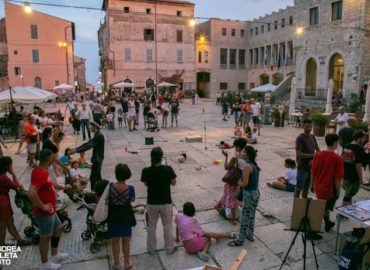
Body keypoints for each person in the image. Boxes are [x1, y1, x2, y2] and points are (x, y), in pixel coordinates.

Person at [28, 149, 69, 270]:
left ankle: (55, 254)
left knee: (59, 227)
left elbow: (50, 185)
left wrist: (63, 187)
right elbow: (31, 193)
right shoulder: (39, 173)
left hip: (51, 210)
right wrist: (42, 206)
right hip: (44, 212)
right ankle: (45, 263)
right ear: (49, 158)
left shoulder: (44, 171)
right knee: (45, 237)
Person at [140, 147, 177, 255]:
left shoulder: (146, 171)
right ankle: (169, 248)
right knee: (167, 226)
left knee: (151, 227)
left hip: (152, 203)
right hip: (166, 202)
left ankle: (151, 249)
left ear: (151, 157)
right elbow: (174, 183)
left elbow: (146, 183)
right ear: (161, 157)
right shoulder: (168, 169)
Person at [311, 134, 344, 233]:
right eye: (337, 142)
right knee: (324, 208)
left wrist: (312, 185)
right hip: (329, 188)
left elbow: (313, 171)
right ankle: (312, 230)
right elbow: (337, 179)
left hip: (318, 186)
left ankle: (327, 223)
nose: (338, 144)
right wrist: (338, 191)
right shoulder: (337, 159)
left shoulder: (318, 155)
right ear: (334, 143)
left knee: (325, 207)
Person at [228, 146, 260, 246]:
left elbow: (245, 183)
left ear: (247, 155)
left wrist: (239, 182)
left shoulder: (247, 166)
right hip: (256, 193)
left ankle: (240, 239)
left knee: (245, 216)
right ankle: (250, 235)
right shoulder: (254, 165)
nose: (241, 153)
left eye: (243, 152)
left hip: (249, 193)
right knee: (251, 215)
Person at [107, 164, 136, 270]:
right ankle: (127, 262)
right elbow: (132, 200)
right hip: (126, 215)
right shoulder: (131, 189)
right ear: (127, 175)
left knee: (115, 241)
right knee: (126, 240)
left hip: (113, 216)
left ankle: (117, 264)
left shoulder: (110, 187)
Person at [215, 138, 247, 225]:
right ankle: (218, 205)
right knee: (232, 196)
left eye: (235, 146)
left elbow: (226, 167)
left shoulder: (235, 158)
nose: (234, 148)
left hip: (232, 181)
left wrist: (226, 157)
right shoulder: (247, 157)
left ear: (238, 147)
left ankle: (233, 218)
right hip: (240, 181)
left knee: (231, 197)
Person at [0, 156, 31, 246]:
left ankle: (2, 244)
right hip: (2, 202)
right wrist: (13, 173)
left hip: (3, 200)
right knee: (9, 223)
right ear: (8, 166)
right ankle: (19, 241)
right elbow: (17, 186)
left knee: (2, 224)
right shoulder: (3, 177)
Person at [72, 121, 105, 191]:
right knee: (98, 177)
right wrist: (76, 149)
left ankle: (93, 192)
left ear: (95, 127)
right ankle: (102, 191)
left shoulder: (99, 136)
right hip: (97, 159)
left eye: (91, 126)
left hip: (97, 160)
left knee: (93, 178)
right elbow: (88, 143)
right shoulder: (97, 135)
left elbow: (89, 145)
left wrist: (76, 150)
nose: (90, 127)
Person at [295, 119, 320, 199]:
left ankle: (304, 203)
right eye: (307, 127)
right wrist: (313, 156)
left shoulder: (312, 136)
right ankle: (297, 205)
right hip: (302, 167)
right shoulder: (300, 138)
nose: (309, 128)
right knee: (299, 188)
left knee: (306, 187)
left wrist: (319, 154)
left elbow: (317, 148)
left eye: (310, 127)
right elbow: (299, 154)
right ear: (303, 126)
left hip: (311, 167)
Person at [341, 130, 367, 206]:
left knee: (348, 193)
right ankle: (342, 214)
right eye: (363, 138)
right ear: (359, 138)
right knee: (348, 196)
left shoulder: (347, 145)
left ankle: (348, 209)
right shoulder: (359, 149)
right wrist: (361, 179)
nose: (364, 140)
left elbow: (342, 158)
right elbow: (358, 165)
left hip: (345, 174)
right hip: (353, 176)